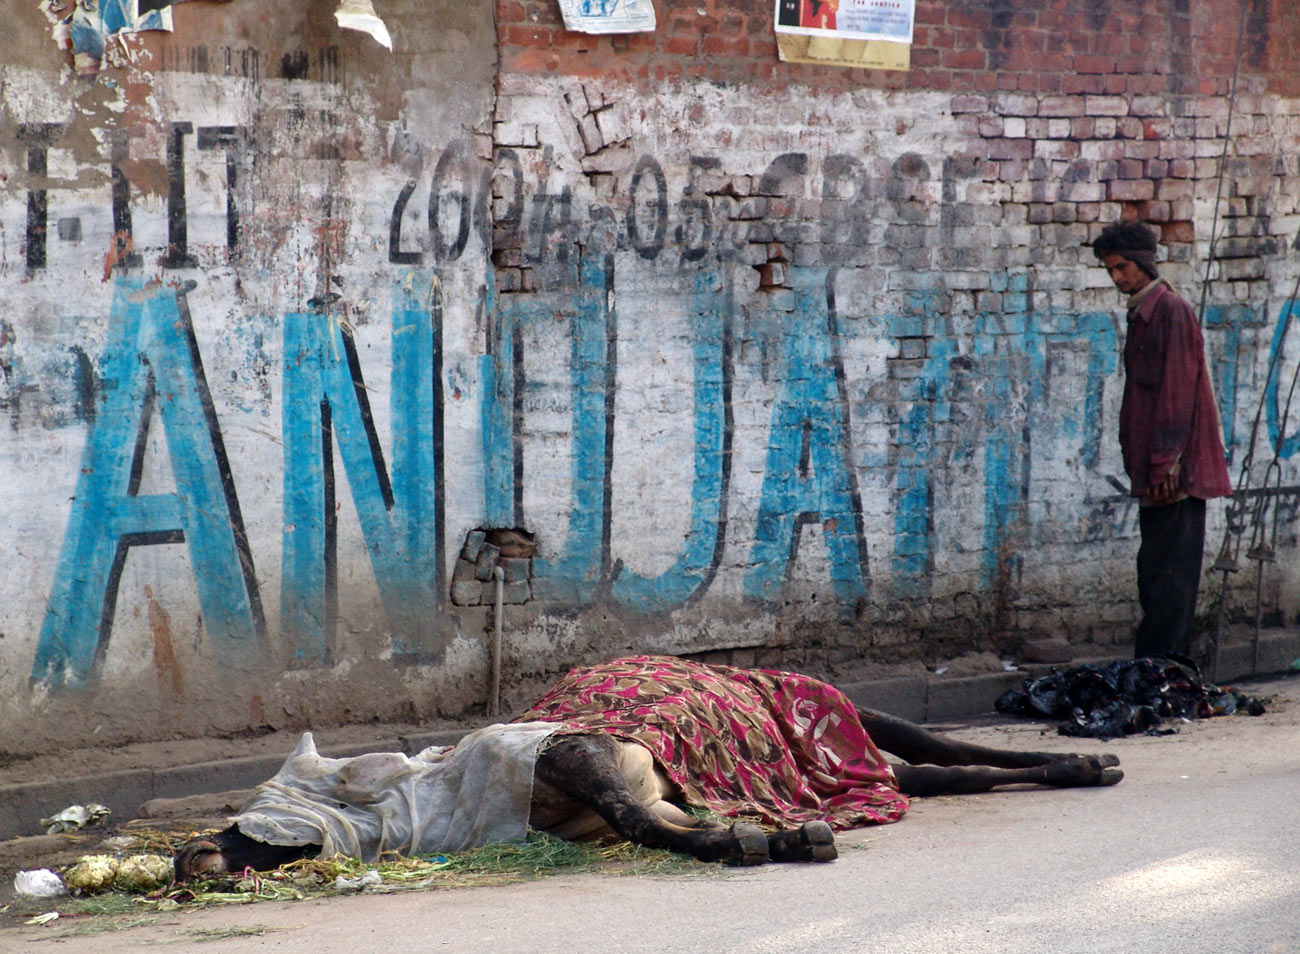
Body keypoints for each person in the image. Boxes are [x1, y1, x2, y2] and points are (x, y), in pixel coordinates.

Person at [1091, 220, 1232, 661]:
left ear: (1143, 265)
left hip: (1173, 474)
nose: (1115, 277)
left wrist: (1166, 464)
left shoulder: (1171, 311)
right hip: (1157, 470)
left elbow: (1176, 393)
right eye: (1109, 269)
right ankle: (1154, 666)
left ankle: (1165, 670)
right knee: (1154, 573)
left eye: (1121, 268)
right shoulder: (1144, 312)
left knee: (1170, 578)